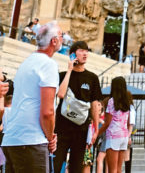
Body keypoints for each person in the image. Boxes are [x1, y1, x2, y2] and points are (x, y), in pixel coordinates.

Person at [2, 21, 61, 172]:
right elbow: (47, 112)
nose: (62, 39)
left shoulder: (27, 63)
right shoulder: (48, 65)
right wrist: (50, 137)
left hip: (12, 139)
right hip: (31, 140)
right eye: (60, 36)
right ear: (53, 41)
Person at [53, 41, 102, 173]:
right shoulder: (62, 75)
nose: (85, 53)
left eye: (86, 50)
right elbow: (61, 94)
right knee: (56, 165)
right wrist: (69, 70)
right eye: (81, 50)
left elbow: (94, 104)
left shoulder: (92, 78)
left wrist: (96, 129)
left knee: (76, 167)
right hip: (62, 127)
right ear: (73, 54)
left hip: (81, 128)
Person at [97, 76, 130, 173]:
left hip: (113, 136)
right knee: (119, 170)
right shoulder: (127, 103)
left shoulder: (112, 101)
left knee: (112, 170)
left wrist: (97, 133)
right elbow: (128, 122)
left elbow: (107, 122)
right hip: (124, 136)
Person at [124, 91, 136, 173]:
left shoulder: (130, 108)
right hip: (126, 134)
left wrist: (128, 136)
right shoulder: (130, 108)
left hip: (127, 134)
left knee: (126, 156)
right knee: (126, 156)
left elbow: (131, 123)